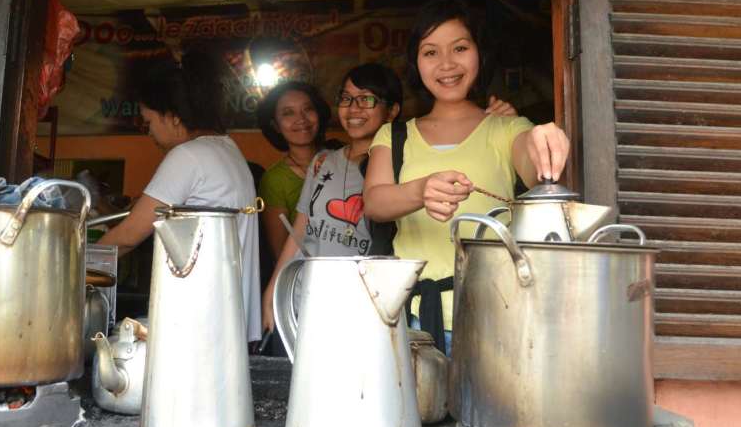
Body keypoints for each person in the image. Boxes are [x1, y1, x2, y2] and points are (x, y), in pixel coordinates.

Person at [363, 0, 570, 353]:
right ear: (416, 61)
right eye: (430, 52)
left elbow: (534, 167)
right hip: (410, 321)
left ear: (480, 53)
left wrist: (541, 137)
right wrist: (421, 190)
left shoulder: (507, 128)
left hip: (495, 315)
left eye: (460, 47)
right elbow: (374, 202)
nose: (446, 64)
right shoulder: (395, 135)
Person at [260, 62, 519, 333]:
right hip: (311, 301)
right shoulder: (323, 162)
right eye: (347, 98)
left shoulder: (404, 165)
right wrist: (273, 291)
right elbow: (300, 231)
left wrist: (499, 120)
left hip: (367, 307)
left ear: (392, 111)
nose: (353, 108)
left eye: (367, 99)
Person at [97, 51, 261, 343]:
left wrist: (73, 264)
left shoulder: (188, 156)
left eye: (149, 122)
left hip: (205, 320)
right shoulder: (227, 148)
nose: (148, 133)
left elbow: (127, 237)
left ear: (172, 117)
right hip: (229, 317)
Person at [256, 81, 331, 262]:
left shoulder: (342, 160)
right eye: (288, 113)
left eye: (308, 109)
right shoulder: (275, 180)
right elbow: (281, 254)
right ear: (275, 125)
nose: (301, 119)